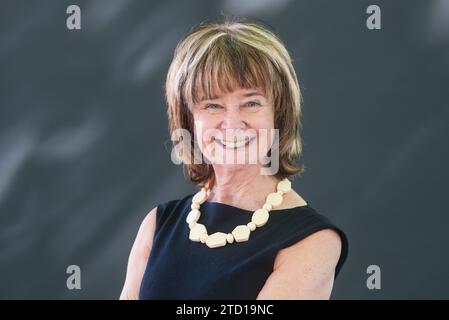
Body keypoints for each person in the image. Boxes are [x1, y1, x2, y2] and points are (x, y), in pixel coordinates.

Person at [120, 18, 348, 300]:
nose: (232, 124)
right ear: (188, 120)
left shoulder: (313, 241)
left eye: (251, 103)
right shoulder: (158, 224)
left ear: (279, 113)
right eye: (212, 105)